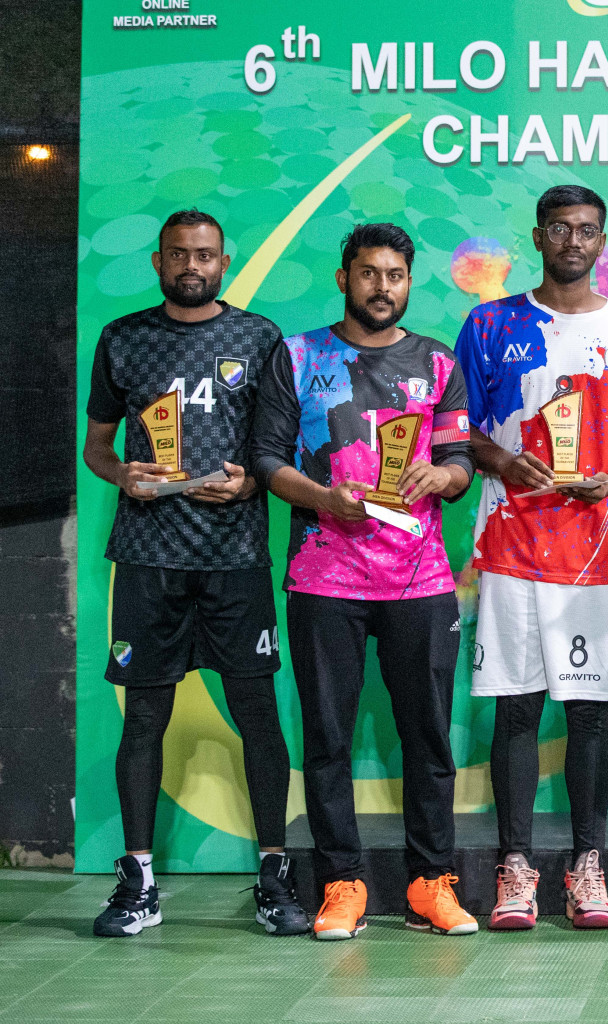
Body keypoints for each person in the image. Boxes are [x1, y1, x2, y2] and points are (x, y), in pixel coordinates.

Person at [82, 209, 306, 938]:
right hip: (148, 560)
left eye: (205, 255)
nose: (192, 266)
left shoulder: (259, 337)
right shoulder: (123, 340)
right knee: (144, 718)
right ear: (157, 262)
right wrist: (126, 478)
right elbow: (98, 448)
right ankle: (138, 881)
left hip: (236, 561)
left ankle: (274, 873)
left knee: (258, 716)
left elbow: (276, 453)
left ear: (224, 261)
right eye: (179, 254)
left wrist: (246, 486)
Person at [251, 223, 477, 941]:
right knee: (327, 740)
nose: (384, 287)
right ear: (345, 277)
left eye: (396, 275)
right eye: (370, 273)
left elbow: (462, 461)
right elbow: (265, 459)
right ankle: (342, 885)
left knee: (429, 741)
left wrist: (441, 475)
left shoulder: (437, 361)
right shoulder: (295, 354)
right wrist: (323, 499)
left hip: (420, 581)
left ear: (410, 282)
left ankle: (430, 884)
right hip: (325, 581)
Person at [455, 185, 608, 930]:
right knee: (516, 710)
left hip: (595, 556)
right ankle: (516, 867)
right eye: (560, 230)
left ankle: (586, 867)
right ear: (538, 237)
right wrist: (501, 462)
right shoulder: (489, 324)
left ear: (601, 242)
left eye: (588, 231)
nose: (574, 242)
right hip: (510, 545)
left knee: (587, 714)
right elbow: (461, 431)